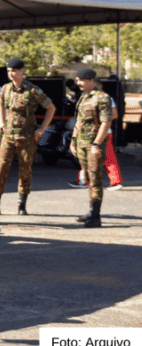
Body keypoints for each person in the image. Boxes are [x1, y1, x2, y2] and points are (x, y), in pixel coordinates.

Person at [0, 57, 56, 217]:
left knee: (25, 171)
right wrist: (1, 123)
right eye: (9, 71)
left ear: (22, 71)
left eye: (14, 71)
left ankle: (22, 205)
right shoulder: (5, 89)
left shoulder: (32, 90)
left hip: (26, 137)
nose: (11, 74)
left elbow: (51, 108)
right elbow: (0, 105)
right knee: (0, 169)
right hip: (8, 136)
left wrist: (42, 129)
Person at [70, 68, 112, 227]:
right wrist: (73, 140)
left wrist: (96, 144)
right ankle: (91, 211)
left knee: (95, 178)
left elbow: (106, 122)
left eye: (81, 80)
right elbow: (79, 121)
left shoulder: (102, 97)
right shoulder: (83, 97)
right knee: (87, 177)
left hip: (93, 144)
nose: (78, 83)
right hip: (81, 143)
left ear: (91, 81)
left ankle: (96, 216)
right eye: (77, 79)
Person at [69, 101, 123, 191]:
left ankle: (115, 182)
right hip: (89, 133)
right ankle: (83, 181)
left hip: (101, 133)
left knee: (108, 157)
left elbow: (114, 114)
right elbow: (79, 120)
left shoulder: (105, 98)